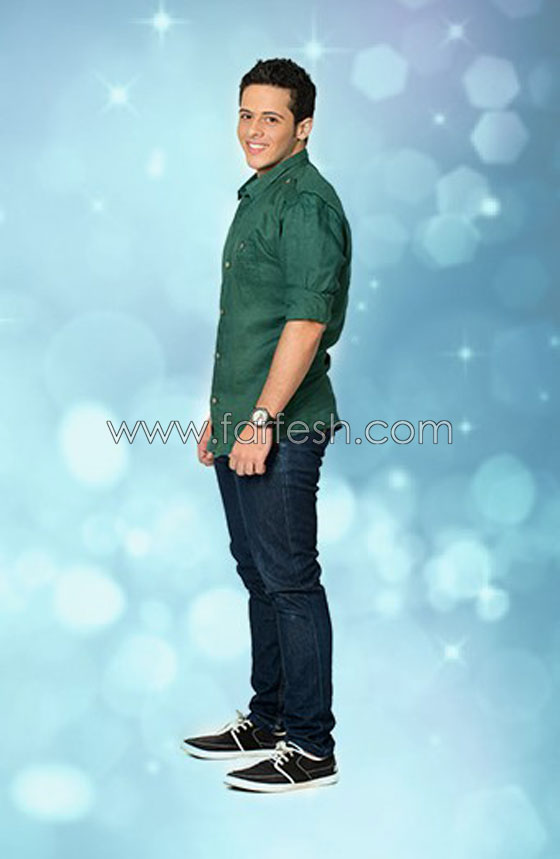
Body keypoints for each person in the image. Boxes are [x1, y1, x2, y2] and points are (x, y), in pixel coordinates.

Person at [182, 57, 352, 793]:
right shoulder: (261, 194)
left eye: (271, 117)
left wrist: (259, 421)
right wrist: (221, 420)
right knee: (258, 575)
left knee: (289, 581)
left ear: (303, 127)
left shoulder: (306, 204)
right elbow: (248, 323)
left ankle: (311, 748)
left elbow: (305, 322)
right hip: (244, 421)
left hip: (281, 425)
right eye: (246, 114)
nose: (253, 130)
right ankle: (270, 718)